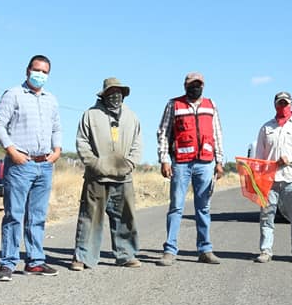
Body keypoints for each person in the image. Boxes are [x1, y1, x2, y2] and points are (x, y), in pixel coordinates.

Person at [0, 54, 62, 281]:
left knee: (38, 216)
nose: (40, 74)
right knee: (14, 215)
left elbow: (56, 127)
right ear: (27, 70)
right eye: (36, 70)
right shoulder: (13, 94)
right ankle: (8, 263)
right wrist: (11, 150)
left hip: (45, 165)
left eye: (44, 71)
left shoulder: (51, 99)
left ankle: (35, 261)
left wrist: (57, 150)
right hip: (21, 164)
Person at [70, 78, 143, 270]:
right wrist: (94, 164)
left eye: (119, 92)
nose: (116, 96)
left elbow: (137, 143)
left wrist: (130, 164)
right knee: (90, 217)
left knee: (125, 217)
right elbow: (82, 142)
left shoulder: (132, 117)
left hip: (123, 176)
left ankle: (126, 254)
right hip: (97, 176)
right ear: (104, 95)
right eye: (112, 92)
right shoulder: (90, 115)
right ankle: (83, 257)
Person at [156, 71, 225, 266]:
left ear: (203, 86)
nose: (195, 87)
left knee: (203, 208)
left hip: (205, 163)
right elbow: (163, 132)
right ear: (185, 86)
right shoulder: (174, 105)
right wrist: (164, 160)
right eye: (191, 84)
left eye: (198, 84)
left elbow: (217, 134)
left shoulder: (211, 105)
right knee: (176, 207)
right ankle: (170, 250)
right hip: (181, 163)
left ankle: (205, 249)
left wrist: (220, 161)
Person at [252, 92, 292, 264]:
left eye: (286, 104)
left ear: (291, 105)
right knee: (266, 215)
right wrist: (258, 177)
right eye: (280, 104)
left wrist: (291, 160)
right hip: (270, 179)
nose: (283, 107)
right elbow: (259, 156)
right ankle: (265, 250)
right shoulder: (266, 128)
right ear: (275, 105)